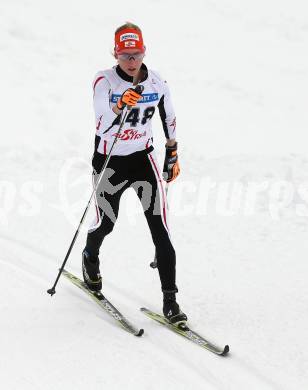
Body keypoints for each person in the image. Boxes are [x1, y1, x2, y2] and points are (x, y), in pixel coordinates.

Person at [82, 22, 187, 324]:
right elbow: (101, 122)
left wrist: (172, 152)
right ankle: (90, 258)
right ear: (115, 53)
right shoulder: (104, 81)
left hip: (143, 160)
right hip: (110, 161)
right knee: (106, 223)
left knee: (161, 230)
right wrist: (119, 108)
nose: (131, 61)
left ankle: (170, 300)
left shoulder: (156, 82)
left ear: (144, 52)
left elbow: (169, 116)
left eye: (136, 54)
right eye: (125, 55)